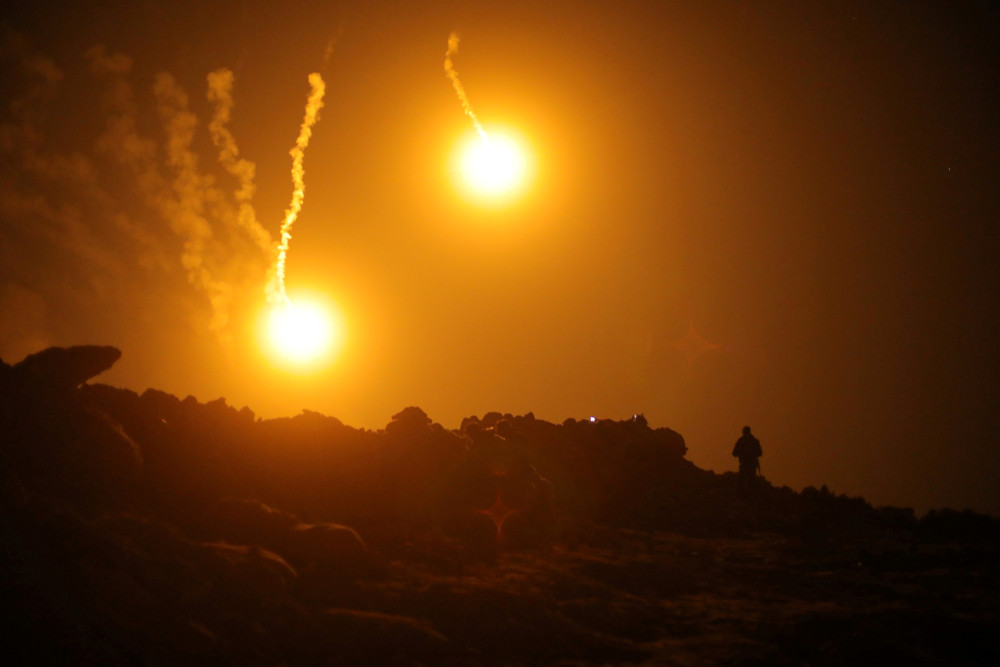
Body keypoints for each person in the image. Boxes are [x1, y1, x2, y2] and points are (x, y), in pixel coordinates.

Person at [732, 426, 762, 493]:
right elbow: (760, 453)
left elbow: (734, 453)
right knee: (748, 481)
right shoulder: (754, 441)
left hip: (747, 464)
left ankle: (745, 495)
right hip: (749, 464)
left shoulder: (741, 441)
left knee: (744, 481)